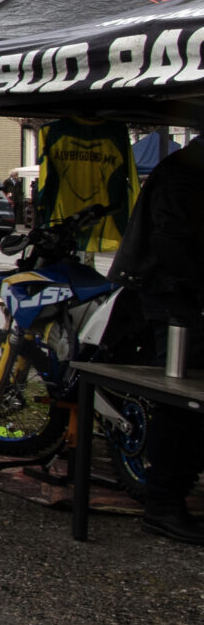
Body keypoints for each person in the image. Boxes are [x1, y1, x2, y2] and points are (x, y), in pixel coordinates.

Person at [107, 137, 204, 542]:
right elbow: (172, 240)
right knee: (183, 400)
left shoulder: (188, 168)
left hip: (179, 294)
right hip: (175, 299)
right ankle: (164, 505)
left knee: (187, 402)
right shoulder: (186, 172)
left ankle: (170, 499)